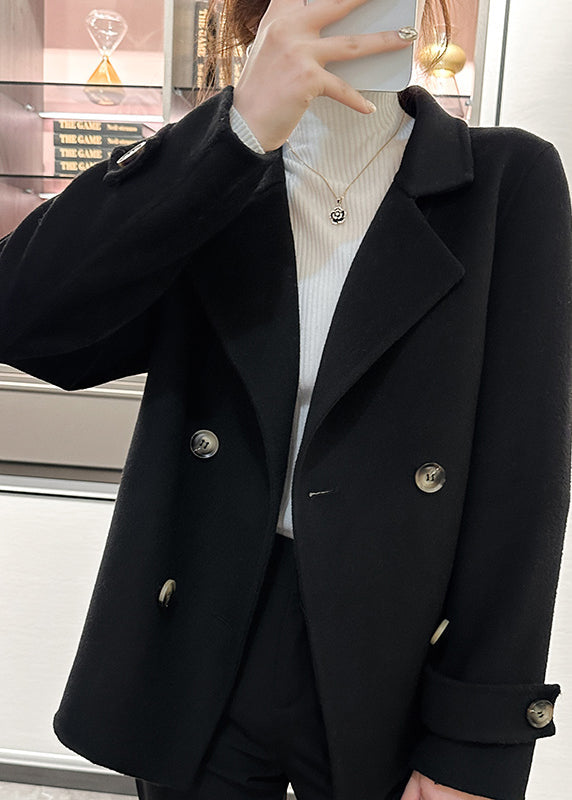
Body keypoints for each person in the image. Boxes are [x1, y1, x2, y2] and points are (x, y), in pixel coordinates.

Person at [0, 0, 570, 798]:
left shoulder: (506, 180)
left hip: (398, 642)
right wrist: (231, 133)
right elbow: (23, 319)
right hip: (203, 628)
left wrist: (475, 740)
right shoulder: (216, 178)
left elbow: (523, 481)